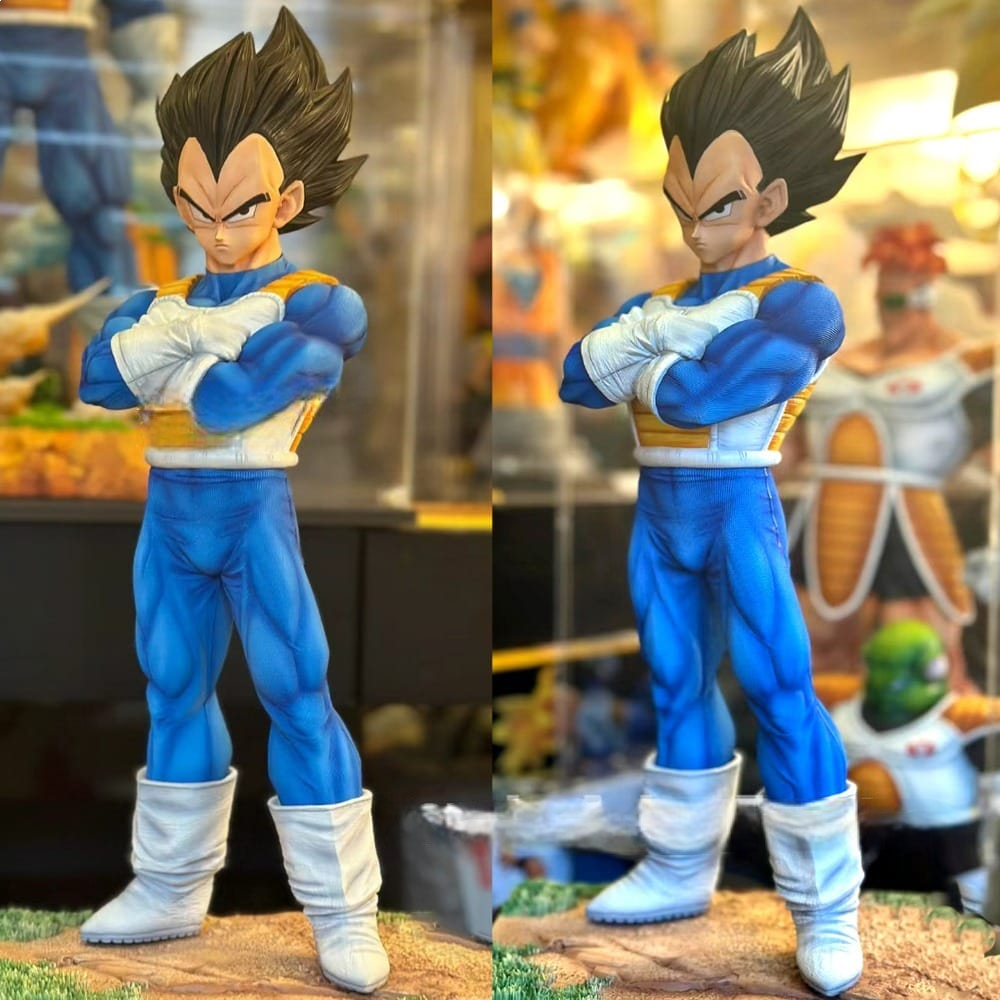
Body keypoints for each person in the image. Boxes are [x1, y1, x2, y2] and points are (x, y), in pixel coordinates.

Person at [77, 9, 388, 993]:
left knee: (298, 691)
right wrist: (185, 342)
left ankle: (343, 910)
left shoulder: (315, 297)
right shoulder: (158, 302)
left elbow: (235, 399)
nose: (216, 230)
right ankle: (169, 886)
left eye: (239, 208)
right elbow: (95, 375)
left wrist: (165, 362)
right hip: (170, 515)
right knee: (172, 687)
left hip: (253, 511)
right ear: (178, 196)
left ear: (287, 198)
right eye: (197, 207)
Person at [560, 9, 865, 996]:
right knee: (674, 682)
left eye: (718, 206)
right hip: (660, 511)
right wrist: (663, 341)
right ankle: (680, 865)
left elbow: (696, 396)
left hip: (737, 504)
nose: (695, 229)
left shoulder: (799, 301)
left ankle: (826, 904)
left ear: (770, 198)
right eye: (680, 205)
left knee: (779, 686)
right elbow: (574, 377)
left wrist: (643, 354)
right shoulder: (664, 301)